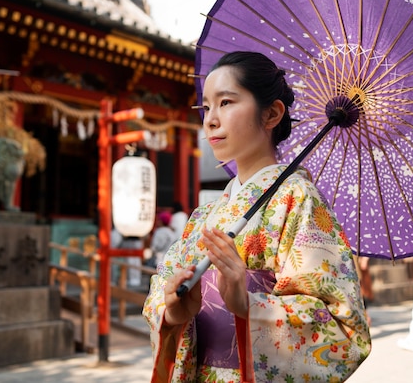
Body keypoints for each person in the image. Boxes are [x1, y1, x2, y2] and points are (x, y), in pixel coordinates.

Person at [142, 51, 371, 382]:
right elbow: (161, 295)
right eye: (207, 107)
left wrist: (247, 303)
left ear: (272, 114)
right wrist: (174, 312)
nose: (210, 120)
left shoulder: (299, 200)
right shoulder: (204, 214)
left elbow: (342, 329)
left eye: (226, 102)